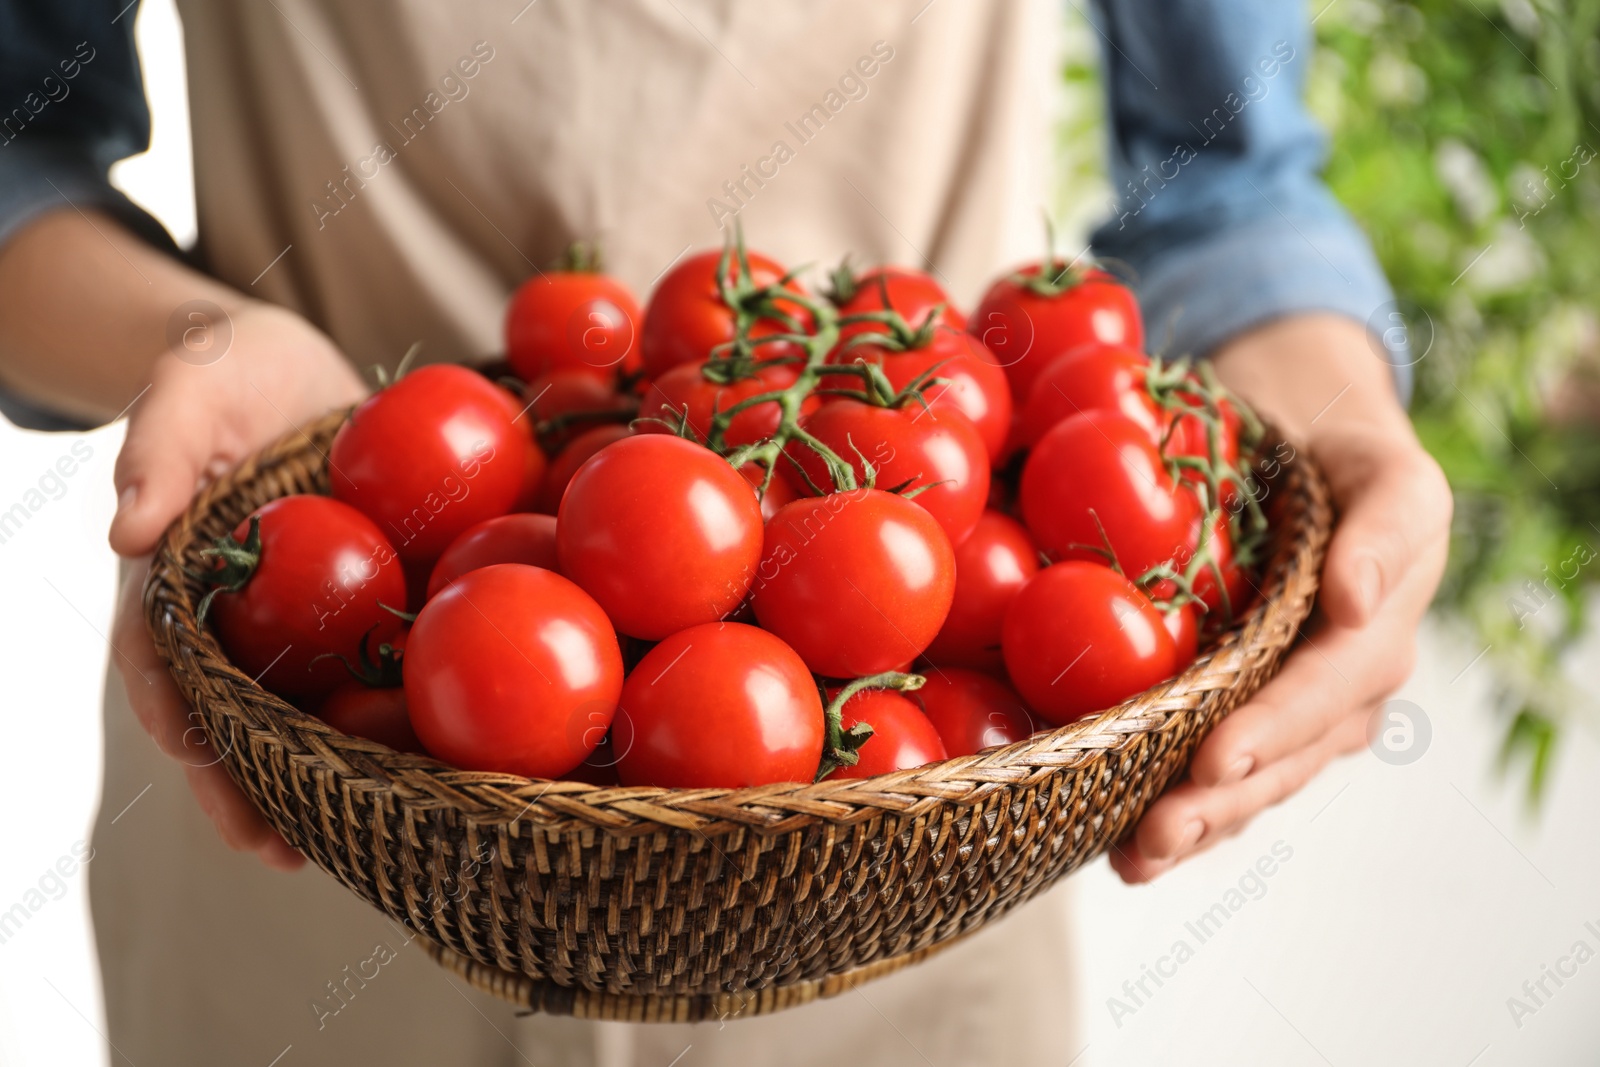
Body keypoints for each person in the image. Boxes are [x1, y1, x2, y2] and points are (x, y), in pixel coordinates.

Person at [0, 0, 1451, 1063]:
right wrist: (194, 340)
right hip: (335, 793)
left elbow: (1227, 183)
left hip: (918, 846)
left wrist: (1345, 431)